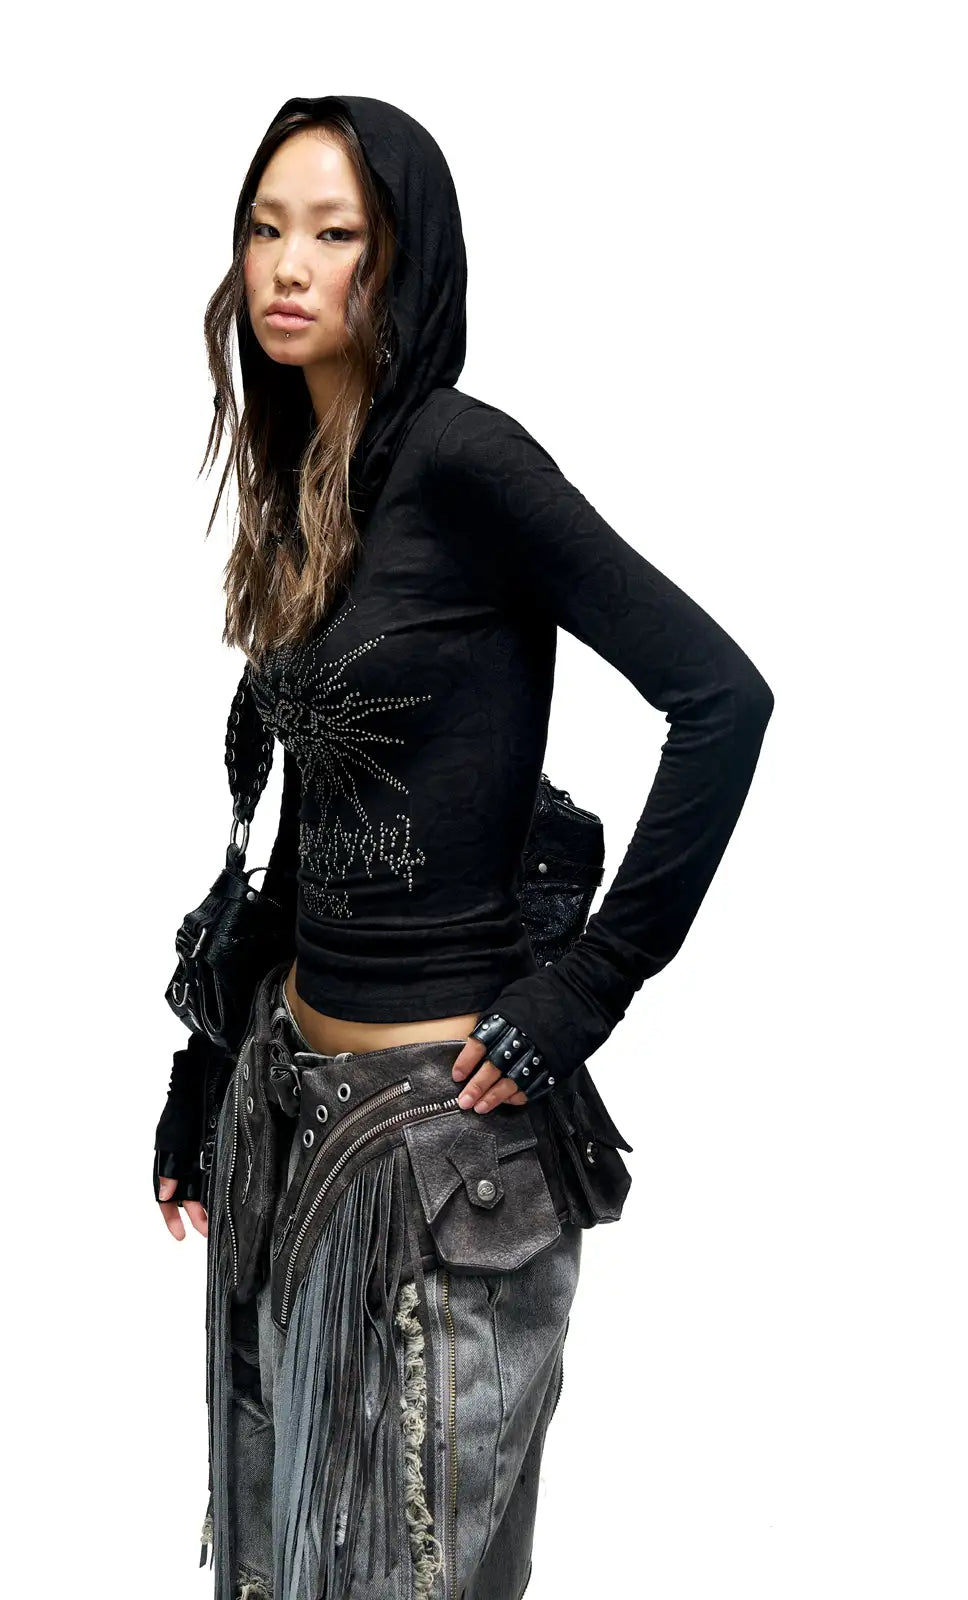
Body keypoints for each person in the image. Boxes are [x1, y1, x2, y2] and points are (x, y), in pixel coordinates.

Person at [154, 94, 774, 1600]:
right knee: (272, 1565)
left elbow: (722, 700)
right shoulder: (316, 475)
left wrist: (587, 990)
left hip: (442, 1154)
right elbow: (318, 817)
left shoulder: (465, 460)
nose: (287, 266)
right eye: (265, 228)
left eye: (336, 234)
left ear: (405, 259)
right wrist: (201, 1069)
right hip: (289, 1117)